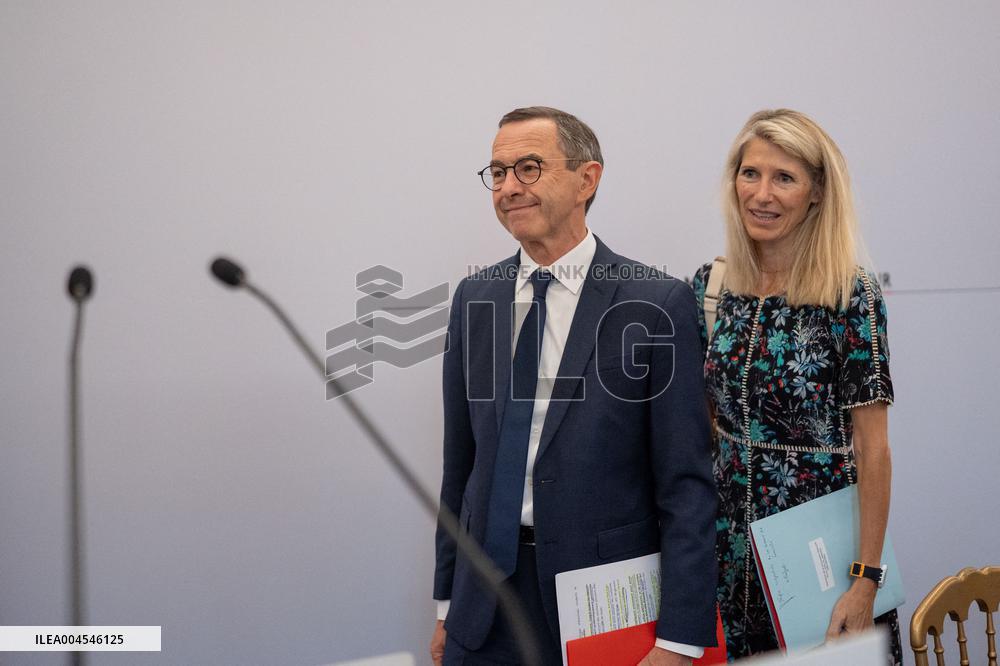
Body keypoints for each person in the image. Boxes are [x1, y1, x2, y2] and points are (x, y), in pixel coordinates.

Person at [431, 106, 718, 665]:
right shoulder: (476, 299)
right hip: (483, 609)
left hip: (601, 612)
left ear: (588, 179)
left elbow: (686, 485)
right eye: (498, 172)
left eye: (530, 168)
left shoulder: (654, 304)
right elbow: (459, 466)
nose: (509, 187)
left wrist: (679, 639)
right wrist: (445, 603)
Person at [692, 108, 902, 663]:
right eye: (750, 173)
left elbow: (873, 447)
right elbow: (704, 426)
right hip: (726, 552)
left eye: (784, 177)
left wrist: (865, 580)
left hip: (821, 557)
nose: (761, 194)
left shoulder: (849, 294)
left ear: (815, 193)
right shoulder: (711, 288)